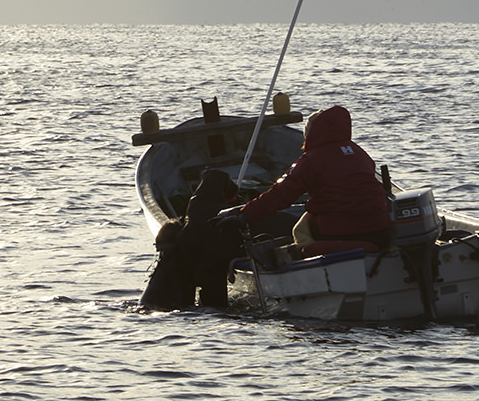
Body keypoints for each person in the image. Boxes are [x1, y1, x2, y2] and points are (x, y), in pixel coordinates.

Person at [233, 104, 392, 254]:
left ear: (311, 134)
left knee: (301, 227)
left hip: (340, 233)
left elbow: (280, 195)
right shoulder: (359, 153)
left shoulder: (311, 160)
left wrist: (244, 215)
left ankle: (303, 253)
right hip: (380, 230)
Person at [142, 169, 245, 310]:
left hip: (187, 272)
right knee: (216, 306)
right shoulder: (225, 214)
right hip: (215, 268)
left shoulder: (195, 205)